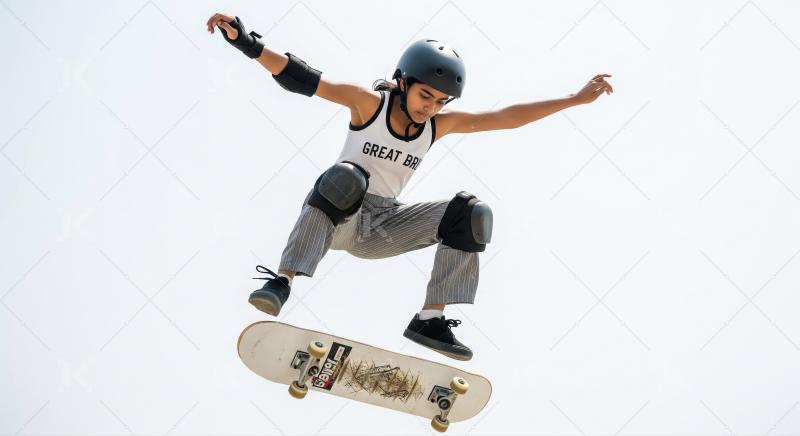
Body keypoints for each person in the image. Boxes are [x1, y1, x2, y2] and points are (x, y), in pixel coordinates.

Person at [206, 13, 613, 361]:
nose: (430, 108)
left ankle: (430, 320)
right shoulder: (369, 104)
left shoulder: (437, 126)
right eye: (425, 96)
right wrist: (247, 44)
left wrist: (573, 99)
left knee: (471, 213)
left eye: (439, 102)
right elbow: (305, 79)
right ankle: (282, 281)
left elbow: (506, 117)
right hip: (339, 216)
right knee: (347, 175)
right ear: (403, 82)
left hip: (385, 226)